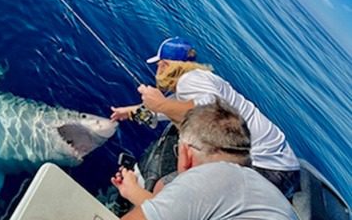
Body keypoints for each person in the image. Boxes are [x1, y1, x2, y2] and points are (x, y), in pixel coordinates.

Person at [111, 36, 300, 199]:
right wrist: (129, 111)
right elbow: (169, 109)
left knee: (170, 191)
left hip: (265, 169)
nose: (157, 72)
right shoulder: (200, 80)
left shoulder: (190, 80)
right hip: (284, 167)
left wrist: (160, 103)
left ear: (165, 65)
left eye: (159, 66)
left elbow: (211, 113)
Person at [111, 101, 300, 220]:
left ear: (186, 152)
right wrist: (133, 192)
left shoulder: (206, 179)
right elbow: (188, 210)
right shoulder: (268, 194)